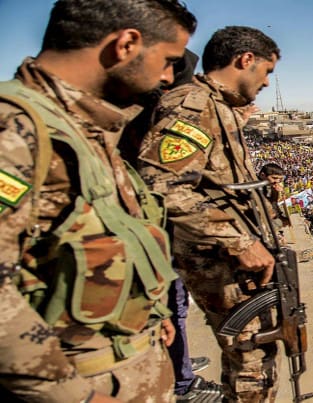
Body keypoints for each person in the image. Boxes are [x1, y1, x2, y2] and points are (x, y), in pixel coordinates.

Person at [0, 1, 196, 401]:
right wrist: (71, 394)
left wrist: (148, 317)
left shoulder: (87, 129)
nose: (168, 75)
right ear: (126, 44)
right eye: (168, 60)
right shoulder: (16, 130)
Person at [136, 26, 281, 402]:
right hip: (218, 258)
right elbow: (161, 187)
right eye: (266, 71)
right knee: (252, 363)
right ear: (245, 60)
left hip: (229, 260)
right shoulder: (193, 105)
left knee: (255, 354)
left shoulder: (217, 107)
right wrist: (241, 242)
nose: (266, 82)